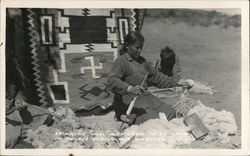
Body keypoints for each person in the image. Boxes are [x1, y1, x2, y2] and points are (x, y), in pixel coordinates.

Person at [108, 31, 192, 125]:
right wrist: (130, 88)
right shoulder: (121, 61)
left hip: (146, 97)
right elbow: (112, 80)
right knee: (153, 122)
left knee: (170, 113)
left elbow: (158, 77)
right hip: (129, 101)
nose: (139, 50)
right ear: (127, 45)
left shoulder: (142, 61)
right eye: (137, 47)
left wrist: (178, 83)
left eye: (141, 47)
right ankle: (122, 116)